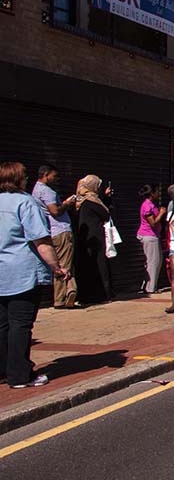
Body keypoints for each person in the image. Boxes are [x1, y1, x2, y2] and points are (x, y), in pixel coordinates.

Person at [1, 162, 69, 388]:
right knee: (20, 324)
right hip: (22, 273)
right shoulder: (25, 202)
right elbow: (40, 241)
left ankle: (4, 370)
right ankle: (20, 375)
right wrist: (56, 267)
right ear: (19, 179)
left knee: (2, 325)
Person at [32, 165, 78, 309]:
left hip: (51, 231)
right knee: (64, 264)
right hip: (61, 230)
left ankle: (67, 292)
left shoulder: (35, 191)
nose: (56, 178)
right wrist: (66, 204)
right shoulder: (47, 191)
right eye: (54, 175)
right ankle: (63, 296)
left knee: (59, 263)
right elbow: (55, 211)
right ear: (46, 175)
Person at [73, 175, 113, 304]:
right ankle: (101, 294)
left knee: (86, 266)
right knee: (98, 265)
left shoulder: (80, 200)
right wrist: (107, 199)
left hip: (84, 238)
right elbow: (105, 214)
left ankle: (85, 295)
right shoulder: (91, 201)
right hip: (95, 238)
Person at [136, 184, 166, 295]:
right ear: (152, 193)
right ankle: (150, 288)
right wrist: (161, 213)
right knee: (153, 261)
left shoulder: (151, 204)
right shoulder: (147, 206)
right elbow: (153, 222)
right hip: (149, 236)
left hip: (154, 236)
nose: (158, 194)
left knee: (156, 261)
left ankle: (150, 285)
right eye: (157, 192)